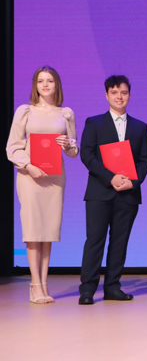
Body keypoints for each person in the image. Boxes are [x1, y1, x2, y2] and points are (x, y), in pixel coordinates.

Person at [6, 66, 78, 304]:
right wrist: (28, 166)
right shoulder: (25, 111)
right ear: (35, 85)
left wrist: (67, 144)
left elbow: (73, 150)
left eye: (49, 81)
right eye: (40, 81)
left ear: (57, 85)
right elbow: (13, 147)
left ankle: (44, 284)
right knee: (33, 229)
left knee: (48, 230)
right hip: (30, 177)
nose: (45, 85)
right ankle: (34, 284)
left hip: (54, 177)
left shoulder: (65, 113)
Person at [78, 75, 147, 304]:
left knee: (120, 242)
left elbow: (145, 160)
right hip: (99, 192)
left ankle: (112, 287)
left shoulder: (140, 127)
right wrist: (110, 178)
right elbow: (87, 154)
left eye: (124, 93)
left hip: (128, 193)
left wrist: (134, 182)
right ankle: (87, 290)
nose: (119, 97)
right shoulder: (94, 123)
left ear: (129, 95)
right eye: (114, 92)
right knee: (95, 240)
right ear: (107, 95)